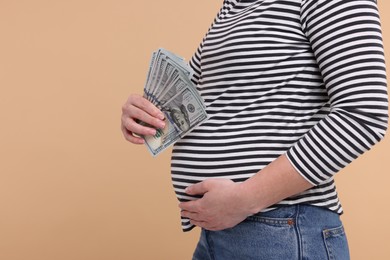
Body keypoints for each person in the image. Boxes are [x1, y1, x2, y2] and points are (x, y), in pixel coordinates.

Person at [121, 0, 388, 259]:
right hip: (221, 234)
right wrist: (148, 114)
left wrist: (245, 199)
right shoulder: (236, 4)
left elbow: (364, 113)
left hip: (281, 229)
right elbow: (213, 103)